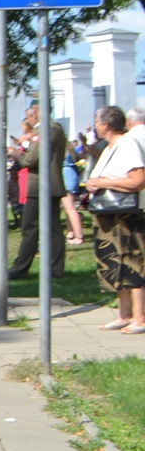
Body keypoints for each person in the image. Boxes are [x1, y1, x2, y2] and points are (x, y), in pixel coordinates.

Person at [86, 107, 145, 333]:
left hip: (125, 215)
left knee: (132, 263)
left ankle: (139, 317)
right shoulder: (110, 147)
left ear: (106, 125)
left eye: (97, 121)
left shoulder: (128, 144)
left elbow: (138, 180)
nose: (96, 125)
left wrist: (103, 183)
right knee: (114, 264)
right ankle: (124, 314)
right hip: (108, 216)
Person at [9, 105, 68, 280]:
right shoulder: (56, 128)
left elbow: (31, 159)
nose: (28, 120)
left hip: (39, 185)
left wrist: (17, 155)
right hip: (52, 183)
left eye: (30, 116)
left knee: (30, 227)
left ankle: (20, 268)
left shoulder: (42, 129)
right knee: (54, 229)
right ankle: (56, 268)